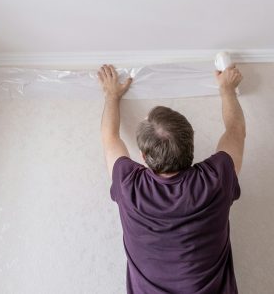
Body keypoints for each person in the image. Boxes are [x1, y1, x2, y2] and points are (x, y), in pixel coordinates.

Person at [98, 63, 245, 294]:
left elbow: (109, 138)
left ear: (144, 157)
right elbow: (235, 131)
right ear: (191, 144)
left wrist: (111, 95)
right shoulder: (216, 178)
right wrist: (227, 89)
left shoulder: (129, 185)